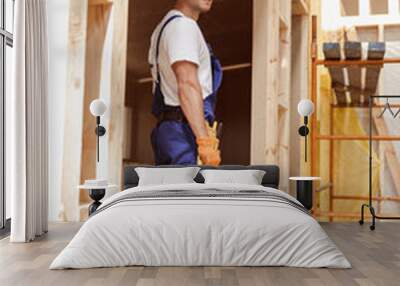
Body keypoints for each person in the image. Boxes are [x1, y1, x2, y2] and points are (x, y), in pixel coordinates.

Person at [148, 0, 223, 166]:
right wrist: (204, 142)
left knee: (174, 190)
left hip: (175, 131)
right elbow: (187, 82)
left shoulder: (167, 27)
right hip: (183, 133)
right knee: (187, 191)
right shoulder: (183, 27)